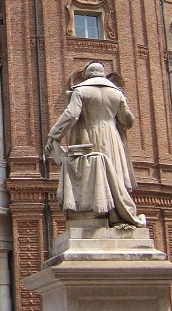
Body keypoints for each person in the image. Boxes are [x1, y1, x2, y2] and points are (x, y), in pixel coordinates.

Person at [46, 62, 145, 227]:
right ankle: (117, 215)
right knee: (115, 178)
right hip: (113, 138)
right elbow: (128, 121)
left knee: (96, 176)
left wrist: (54, 135)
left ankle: (98, 214)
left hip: (90, 137)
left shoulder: (81, 91)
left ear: (87, 75)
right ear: (102, 74)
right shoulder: (117, 93)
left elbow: (71, 115)